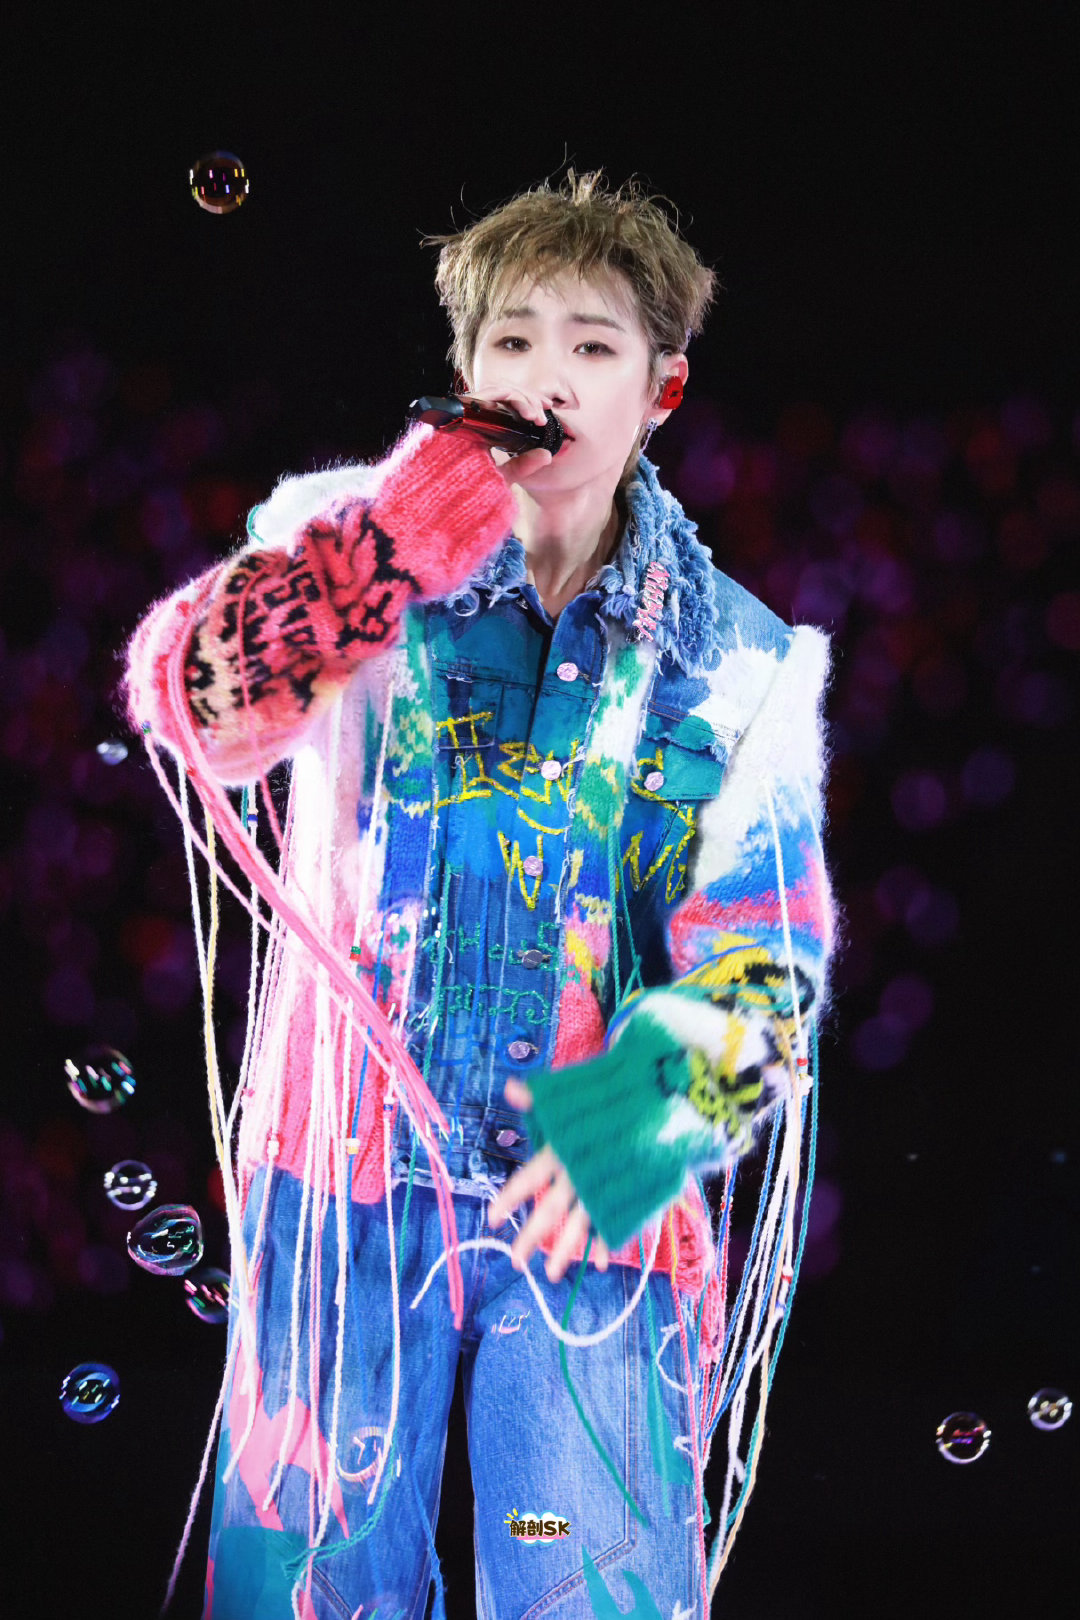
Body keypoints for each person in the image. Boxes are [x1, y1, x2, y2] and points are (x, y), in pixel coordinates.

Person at [125, 169, 835, 1620]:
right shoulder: (340, 541)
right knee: (309, 1593)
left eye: (592, 344)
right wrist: (385, 550)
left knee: (590, 1595)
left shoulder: (742, 658)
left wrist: (647, 1118)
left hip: (591, 1220)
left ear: (661, 391)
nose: (546, 377)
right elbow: (191, 705)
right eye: (512, 339)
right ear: (463, 371)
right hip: (343, 1188)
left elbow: (773, 952)